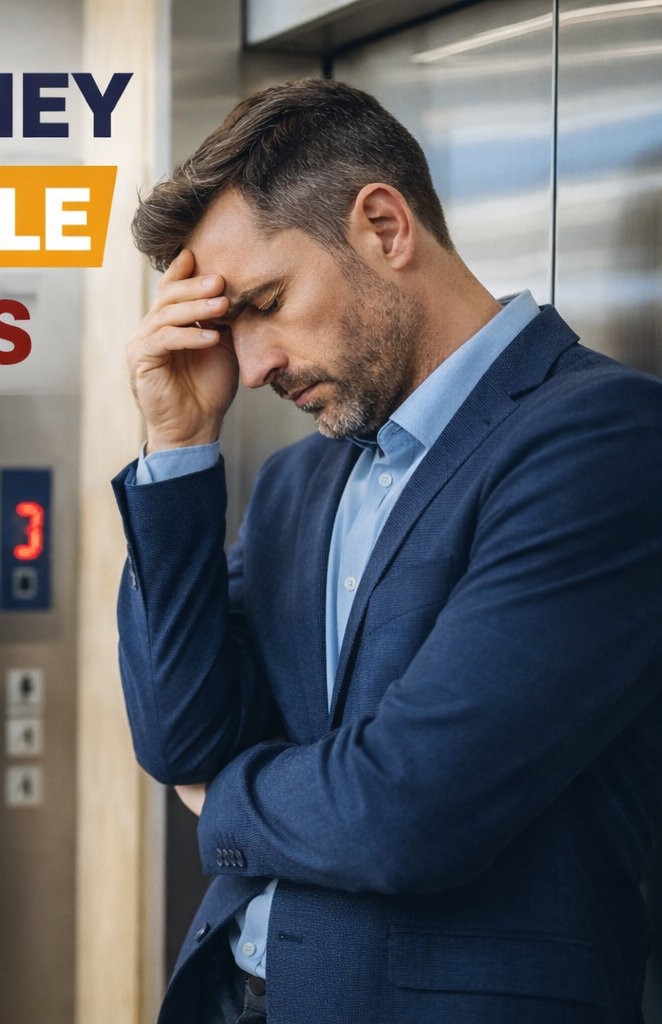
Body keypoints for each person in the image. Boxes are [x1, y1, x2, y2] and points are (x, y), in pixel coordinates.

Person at [114, 78, 662, 1024]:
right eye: (225, 326)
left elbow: (409, 809)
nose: (251, 367)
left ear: (383, 225)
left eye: (267, 302)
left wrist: (224, 800)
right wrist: (178, 448)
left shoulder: (603, 439)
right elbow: (181, 739)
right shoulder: (295, 487)